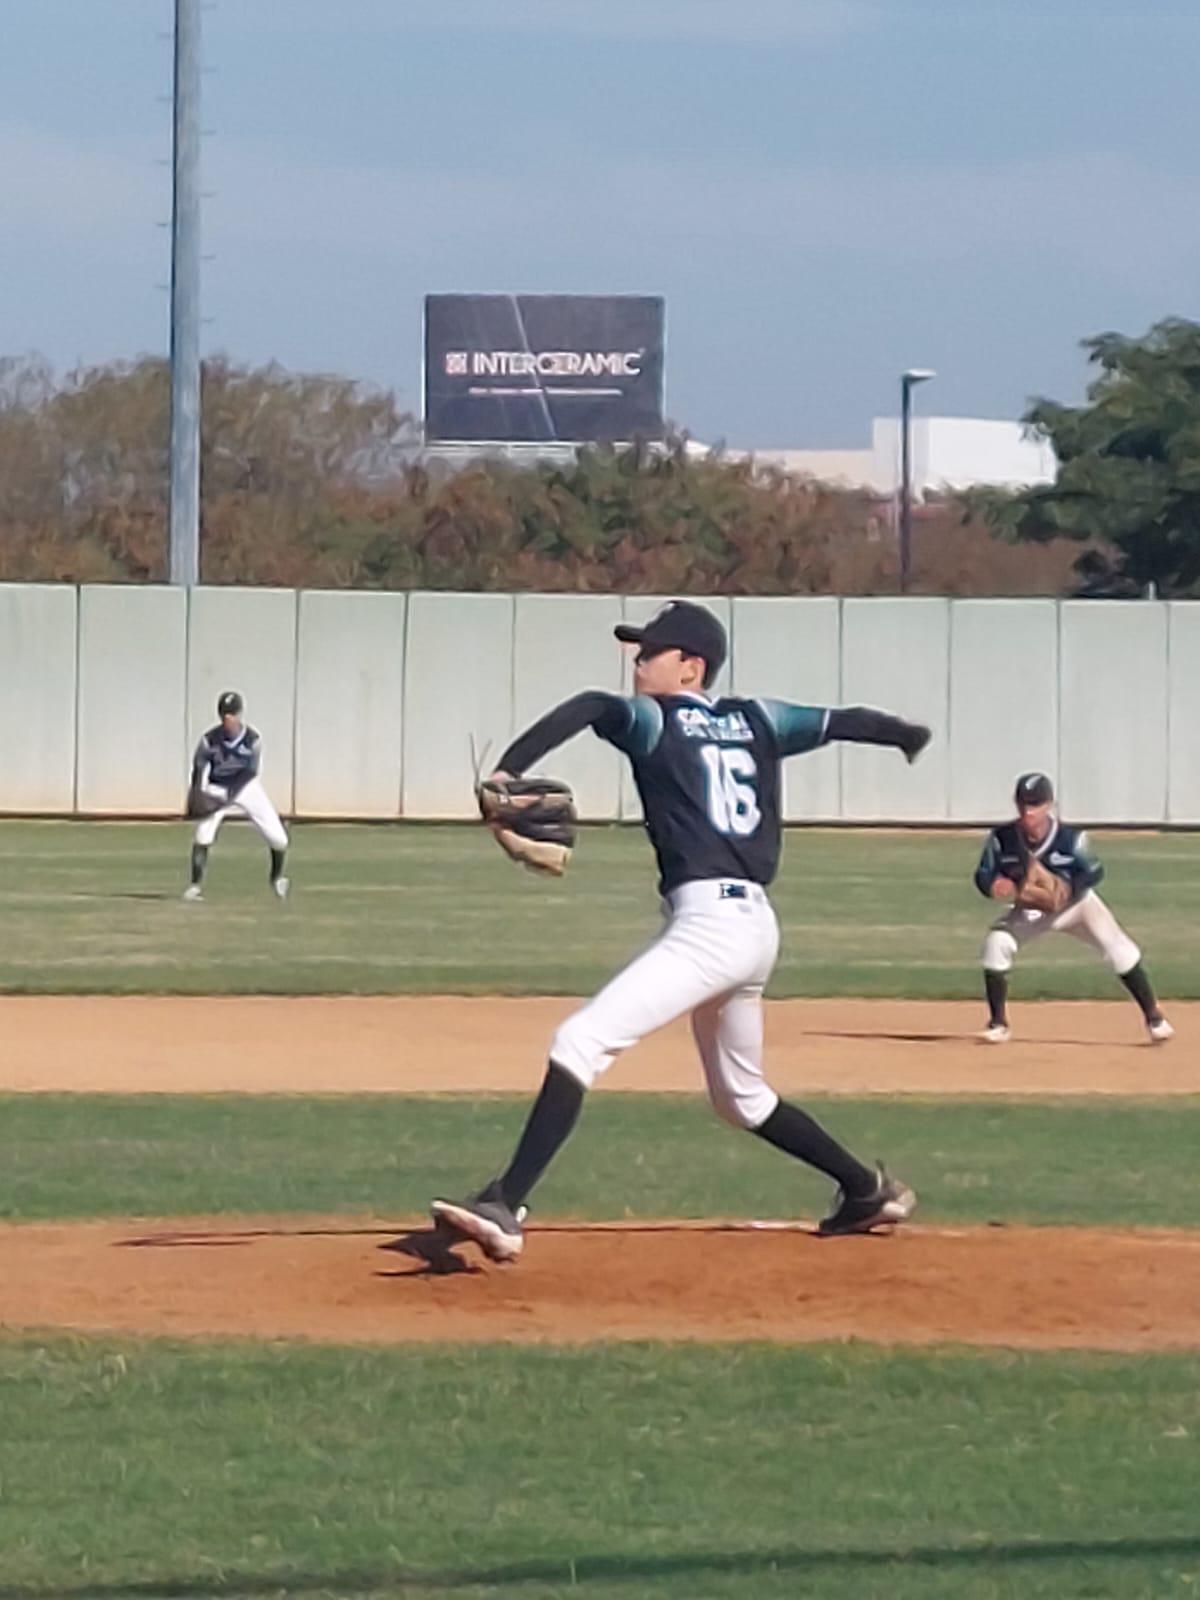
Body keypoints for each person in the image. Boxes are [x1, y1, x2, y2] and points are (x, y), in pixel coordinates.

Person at [431, 599, 931, 1263]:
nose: (638, 664)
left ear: (691, 667)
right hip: (755, 927)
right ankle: (865, 1189)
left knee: (581, 1040)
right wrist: (903, 734)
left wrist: (507, 770)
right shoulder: (761, 718)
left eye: (651, 653)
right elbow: (843, 723)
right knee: (740, 1098)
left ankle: (505, 1203)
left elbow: (588, 706)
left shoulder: (655, 721)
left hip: (711, 927)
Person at [975, 771, 1173, 1045]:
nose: (1027, 811)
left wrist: (1069, 888)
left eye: (1034, 804)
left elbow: (1094, 871)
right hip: (1031, 910)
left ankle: (1155, 1018)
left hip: (1077, 906)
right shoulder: (1002, 838)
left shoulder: (1071, 839)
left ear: (1049, 805)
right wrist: (994, 884)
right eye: (1023, 804)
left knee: (1119, 949)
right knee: (996, 943)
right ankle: (998, 1023)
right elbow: (983, 874)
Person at [183, 690, 290, 902]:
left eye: (232, 713)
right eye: (224, 714)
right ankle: (195, 886)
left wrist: (231, 795)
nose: (228, 718)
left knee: (279, 839)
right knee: (203, 835)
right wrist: (196, 795)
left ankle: (277, 877)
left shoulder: (252, 739)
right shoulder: (209, 740)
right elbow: (198, 767)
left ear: (240, 714)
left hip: (245, 787)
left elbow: (250, 771)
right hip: (218, 786)